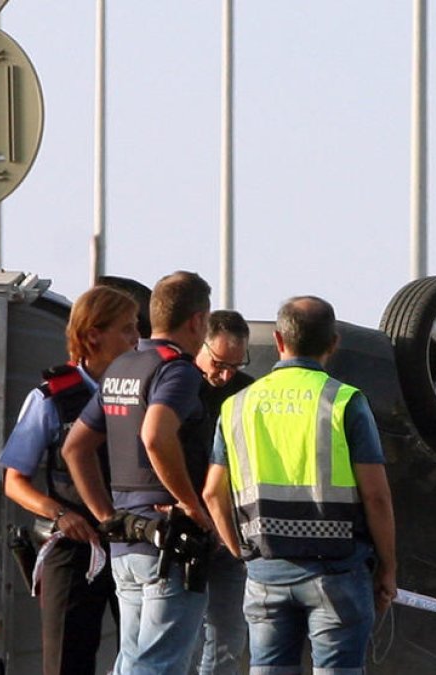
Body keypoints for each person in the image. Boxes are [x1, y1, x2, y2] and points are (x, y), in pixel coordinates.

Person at [202, 296, 397, 675]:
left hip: (265, 573)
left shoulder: (238, 405)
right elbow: (376, 495)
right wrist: (388, 567)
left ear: (279, 340)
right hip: (337, 573)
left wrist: (242, 555)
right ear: (333, 342)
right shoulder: (344, 402)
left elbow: (212, 493)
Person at [62, 270, 215, 675]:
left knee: (132, 662)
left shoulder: (122, 367)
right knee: (158, 667)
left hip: (127, 543)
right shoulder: (177, 370)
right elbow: (156, 435)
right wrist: (190, 504)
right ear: (197, 321)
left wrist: (107, 516)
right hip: (169, 545)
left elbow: (75, 448)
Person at [0, 284, 141, 675]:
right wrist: (60, 514)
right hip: (73, 544)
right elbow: (14, 481)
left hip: (132, 539)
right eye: (127, 329)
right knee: (67, 658)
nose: (136, 339)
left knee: (144, 653)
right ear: (94, 334)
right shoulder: (50, 399)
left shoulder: (142, 392)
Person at [191, 310, 254, 675]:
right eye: (218, 363)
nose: (225, 374)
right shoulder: (179, 385)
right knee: (186, 635)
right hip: (187, 526)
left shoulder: (247, 391)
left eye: (235, 364)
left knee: (229, 634)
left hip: (232, 530)